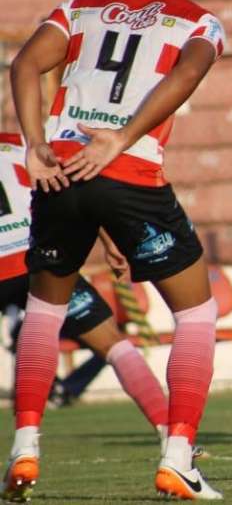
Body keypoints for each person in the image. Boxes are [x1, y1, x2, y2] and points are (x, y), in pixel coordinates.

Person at [5, 0, 227, 501]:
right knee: (197, 314)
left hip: (60, 175)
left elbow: (25, 64)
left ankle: (25, 446)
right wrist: (121, 138)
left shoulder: (78, 9)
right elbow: (188, 71)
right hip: (128, 173)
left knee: (44, 312)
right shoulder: (198, 19)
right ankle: (178, 456)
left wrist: (35, 143)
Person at [0, 133, 170, 441]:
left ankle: (24, 449)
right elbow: (75, 188)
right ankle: (172, 435)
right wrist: (108, 240)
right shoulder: (21, 143)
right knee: (114, 345)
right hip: (36, 256)